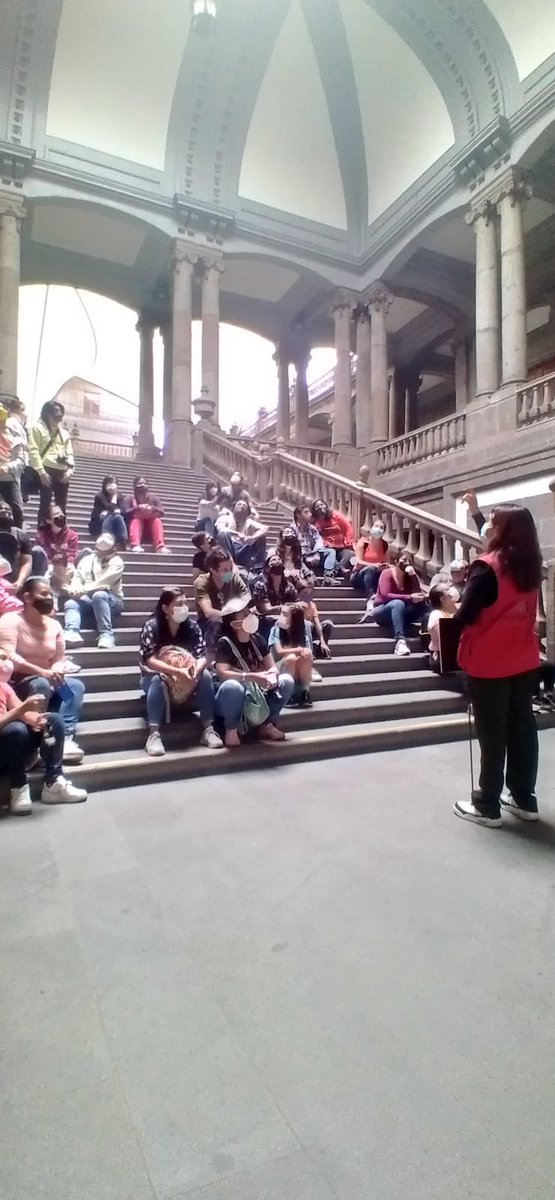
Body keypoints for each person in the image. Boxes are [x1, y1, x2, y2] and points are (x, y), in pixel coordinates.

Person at [454, 504, 542, 828]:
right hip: (523, 657)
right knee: (522, 727)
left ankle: (487, 804)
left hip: (489, 661)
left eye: (491, 522)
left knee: (492, 733)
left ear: (502, 528)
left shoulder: (487, 566)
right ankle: (523, 798)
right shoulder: (531, 566)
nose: (487, 527)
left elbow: (465, 615)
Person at [0, 576, 85, 763]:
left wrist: (55, 670)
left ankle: (67, 737)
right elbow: (9, 655)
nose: (49, 598)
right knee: (40, 684)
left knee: (74, 688)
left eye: (50, 594)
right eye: (44, 594)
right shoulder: (11, 620)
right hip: (18, 680)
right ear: (28, 598)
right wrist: (42, 672)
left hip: (47, 677)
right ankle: (35, 743)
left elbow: (59, 657)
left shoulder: (54, 625)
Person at [139, 585, 223, 756]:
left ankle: (208, 729)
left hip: (188, 674)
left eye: (185, 603)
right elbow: (149, 660)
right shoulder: (152, 626)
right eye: (178, 604)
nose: (184, 607)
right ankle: (154, 734)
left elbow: (203, 655)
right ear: (165, 608)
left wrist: (195, 670)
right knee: (157, 679)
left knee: (205, 675)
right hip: (157, 675)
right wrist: (176, 672)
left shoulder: (192, 627)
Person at [0, 649, 87, 813]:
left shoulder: (4, 687)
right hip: (3, 749)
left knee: (54, 719)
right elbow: (18, 712)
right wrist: (23, 709)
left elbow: (23, 712)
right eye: (1, 658)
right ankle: (18, 787)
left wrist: (37, 720)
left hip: (51, 679)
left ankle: (53, 782)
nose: (6, 662)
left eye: (5, 657)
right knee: (15, 729)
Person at [214, 595, 294, 747]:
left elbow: (272, 666)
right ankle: (231, 729)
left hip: (258, 692)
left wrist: (272, 676)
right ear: (236, 624)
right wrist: (252, 677)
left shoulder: (258, 639)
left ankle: (267, 725)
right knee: (232, 687)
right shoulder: (224, 643)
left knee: (286, 681)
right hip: (235, 695)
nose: (251, 615)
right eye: (245, 614)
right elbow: (222, 673)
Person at [64, 533, 124, 649]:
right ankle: (72, 631)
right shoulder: (86, 560)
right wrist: (75, 589)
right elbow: (77, 577)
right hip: (88, 597)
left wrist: (83, 590)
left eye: (109, 538)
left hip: (112, 599)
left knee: (99, 595)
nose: (104, 540)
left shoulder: (117, 561)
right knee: (71, 603)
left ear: (113, 547)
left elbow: (105, 582)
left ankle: (106, 634)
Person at [194, 546, 250, 653]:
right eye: (225, 570)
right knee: (215, 622)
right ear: (213, 570)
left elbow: (247, 600)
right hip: (209, 623)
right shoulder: (202, 582)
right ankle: (211, 656)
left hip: (233, 619)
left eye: (230, 568)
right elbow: (208, 612)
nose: (229, 573)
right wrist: (230, 615)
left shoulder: (234, 578)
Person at [28, 399, 75, 524]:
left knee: (62, 505)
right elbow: (33, 451)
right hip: (46, 470)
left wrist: (70, 470)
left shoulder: (64, 433)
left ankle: (62, 533)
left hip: (63, 471)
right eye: (55, 412)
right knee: (45, 505)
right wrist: (41, 473)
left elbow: (69, 452)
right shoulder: (37, 428)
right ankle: (42, 533)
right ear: (47, 414)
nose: (58, 416)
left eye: (60, 413)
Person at [372, 554, 428, 656]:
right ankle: (400, 641)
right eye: (404, 560)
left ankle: (426, 636)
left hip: (401, 612)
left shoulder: (408, 577)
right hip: (382, 610)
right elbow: (386, 595)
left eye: (409, 561)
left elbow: (417, 592)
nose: (407, 563)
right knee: (398, 603)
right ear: (397, 561)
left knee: (423, 603)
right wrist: (409, 598)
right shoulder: (387, 573)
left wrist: (413, 576)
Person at [267, 602, 314, 707]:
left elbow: (307, 650)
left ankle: (304, 692)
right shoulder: (276, 630)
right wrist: (297, 650)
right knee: (292, 658)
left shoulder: (302, 633)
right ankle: (289, 694)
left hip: (297, 667)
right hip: (278, 665)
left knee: (306, 657)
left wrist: (305, 652)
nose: (282, 617)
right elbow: (278, 651)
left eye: (285, 614)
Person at [251, 554, 301, 639]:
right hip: (266, 620)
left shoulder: (289, 586)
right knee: (279, 622)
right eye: (273, 560)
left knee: (306, 624)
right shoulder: (260, 585)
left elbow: (298, 604)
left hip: (287, 617)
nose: (277, 561)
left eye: (279, 559)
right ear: (267, 568)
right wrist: (283, 608)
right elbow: (266, 609)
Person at [351, 518, 390, 619]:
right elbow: (358, 561)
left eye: (381, 528)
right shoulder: (363, 543)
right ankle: (371, 597)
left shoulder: (385, 545)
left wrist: (383, 567)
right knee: (371, 569)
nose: (378, 529)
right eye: (376, 526)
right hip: (358, 575)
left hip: (375, 575)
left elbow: (387, 564)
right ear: (371, 528)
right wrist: (374, 565)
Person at [216, 499, 268, 572]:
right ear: (234, 508)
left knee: (261, 537)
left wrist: (253, 538)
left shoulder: (249, 521)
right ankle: (229, 562)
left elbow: (265, 528)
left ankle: (257, 569)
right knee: (222, 533)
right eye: (239, 504)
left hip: (242, 549)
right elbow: (220, 528)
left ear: (247, 512)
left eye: (244, 505)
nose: (242, 506)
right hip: (229, 548)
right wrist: (237, 534)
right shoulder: (225, 518)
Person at [0, 501, 43, 588]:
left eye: (8, 509)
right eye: (1, 509)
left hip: (14, 580)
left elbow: (26, 561)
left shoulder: (20, 534)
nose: (5, 511)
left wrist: (20, 582)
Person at [124, 476, 170, 553]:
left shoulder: (153, 498)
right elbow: (125, 512)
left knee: (157, 520)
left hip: (150, 529)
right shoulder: (129, 498)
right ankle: (135, 545)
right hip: (135, 530)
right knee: (136, 520)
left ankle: (160, 547)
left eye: (144, 483)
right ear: (135, 486)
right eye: (139, 483)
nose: (142, 485)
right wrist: (138, 507)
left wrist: (152, 508)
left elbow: (162, 512)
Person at [0, 397, 26, 527]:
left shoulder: (15, 437)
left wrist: (8, 467)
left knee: (18, 510)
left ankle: (19, 539)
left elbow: (21, 461)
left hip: (10, 479)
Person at [34, 503, 79, 575]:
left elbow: (72, 554)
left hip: (66, 567)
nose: (60, 516)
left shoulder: (72, 535)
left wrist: (69, 564)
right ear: (48, 520)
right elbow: (44, 555)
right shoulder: (42, 536)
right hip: (48, 568)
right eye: (56, 514)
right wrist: (50, 566)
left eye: (61, 513)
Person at [311, 500, 354, 578]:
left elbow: (347, 527)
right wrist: (323, 542)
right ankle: (340, 569)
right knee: (331, 552)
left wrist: (348, 539)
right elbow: (314, 536)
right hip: (327, 547)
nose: (320, 507)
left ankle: (340, 567)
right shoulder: (313, 521)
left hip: (340, 546)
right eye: (317, 506)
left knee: (350, 554)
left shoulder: (335, 516)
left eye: (321, 505)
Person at [89, 475, 128, 547]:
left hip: (116, 523)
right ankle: (106, 542)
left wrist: (115, 495)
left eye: (114, 483)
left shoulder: (120, 496)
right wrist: (114, 497)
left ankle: (123, 540)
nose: (112, 485)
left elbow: (124, 511)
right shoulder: (99, 496)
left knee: (117, 516)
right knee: (111, 516)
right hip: (99, 523)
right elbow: (109, 508)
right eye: (109, 483)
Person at [292, 505, 330, 575]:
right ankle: (308, 574)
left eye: (309, 512)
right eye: (306, 512)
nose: (310, 514)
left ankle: (329, 574)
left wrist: (317, 554)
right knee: (296, 556)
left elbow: (319, 541)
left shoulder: (312, 529)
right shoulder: (292, 529)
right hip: (299, 555)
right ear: (298, 515)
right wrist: (305, 556)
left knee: (330, 552)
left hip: (312, 553)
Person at [427, 584, 458, 672]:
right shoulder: (436, 615)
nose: (452, 591)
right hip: (441, 658)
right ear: (442, 598)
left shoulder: (455, 610)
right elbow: (444, 643)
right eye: (447, 589)